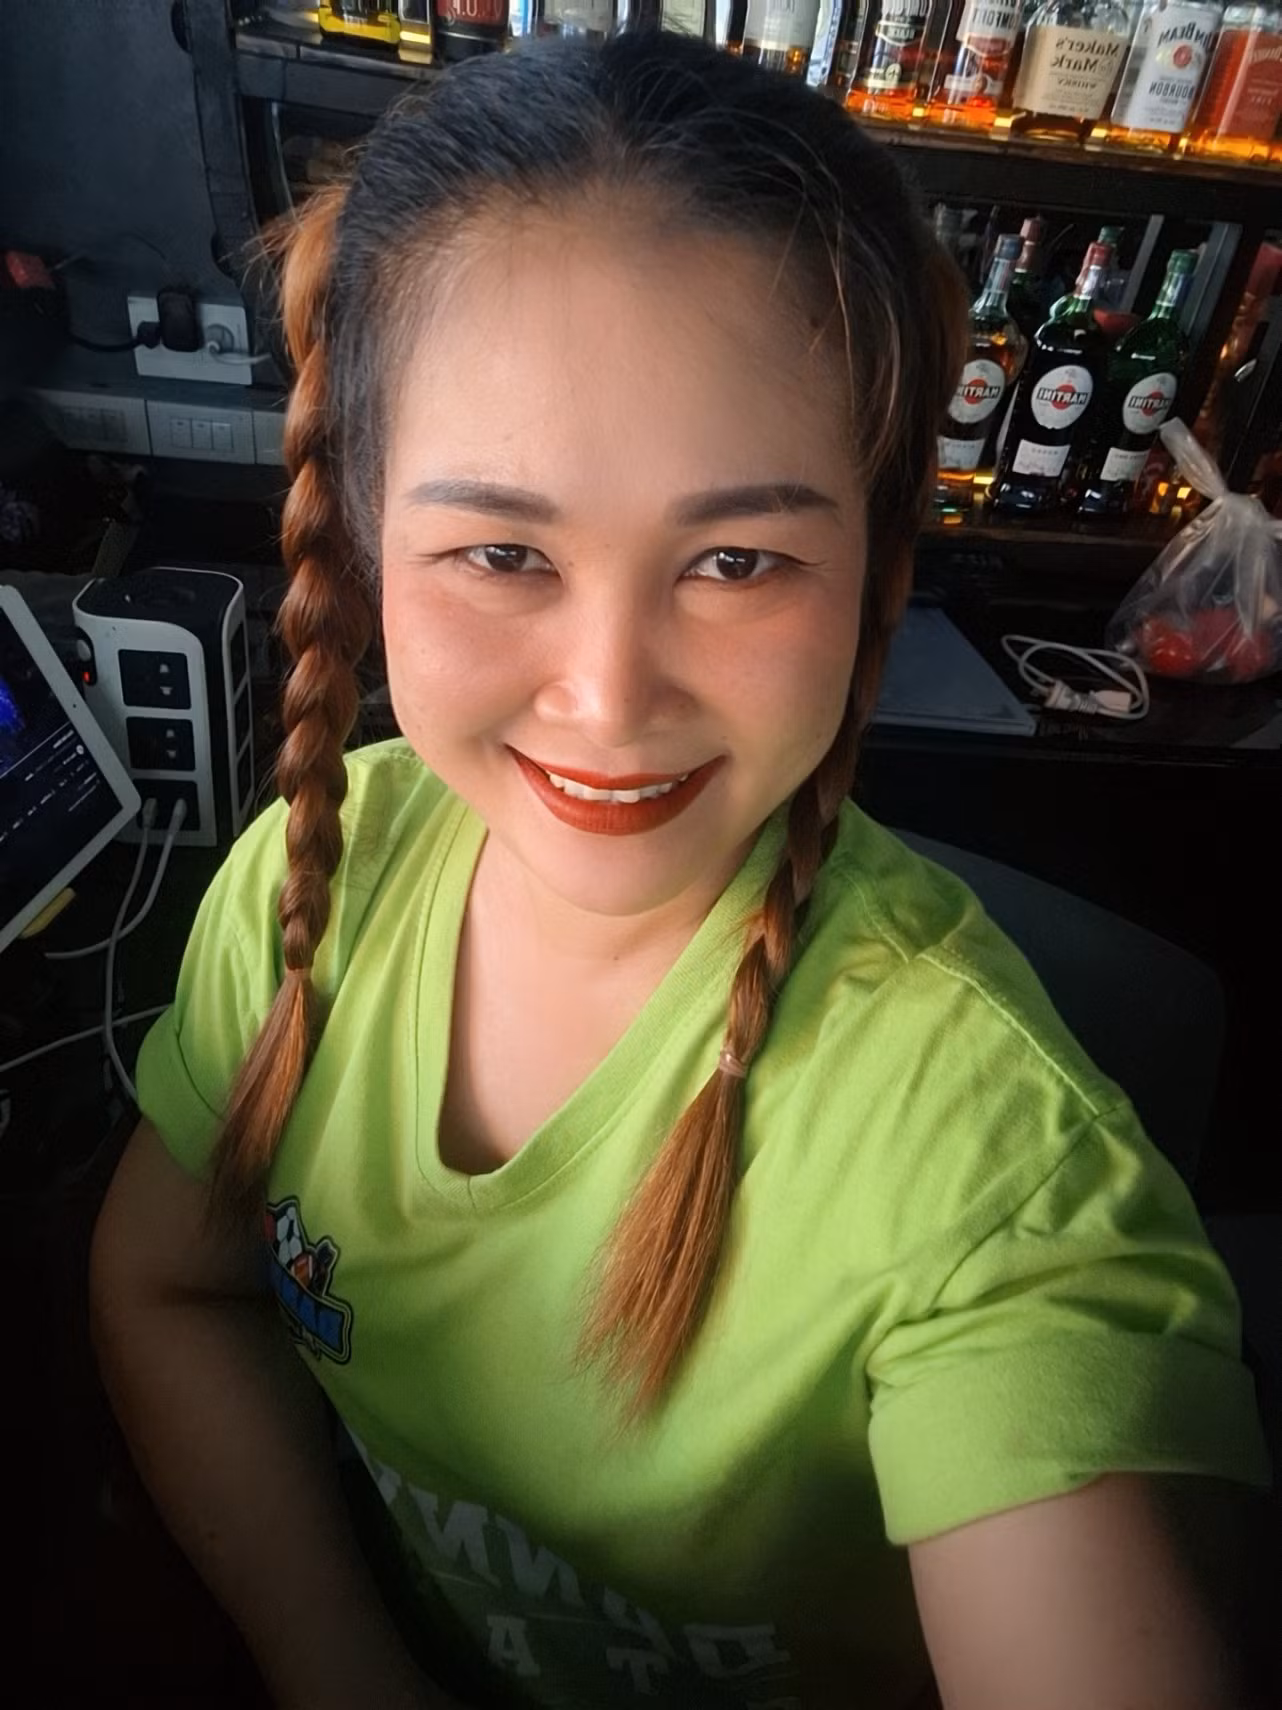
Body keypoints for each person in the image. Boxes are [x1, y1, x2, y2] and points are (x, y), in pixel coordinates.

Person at [89, 27, 1272, 1710]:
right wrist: (333, 1653)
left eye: (734, 560)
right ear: (360, 531)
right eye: (502, 550)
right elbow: (167, 1280)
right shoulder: (313, 875)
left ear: (872, 564)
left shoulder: (992, 1177)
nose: (607, 696)